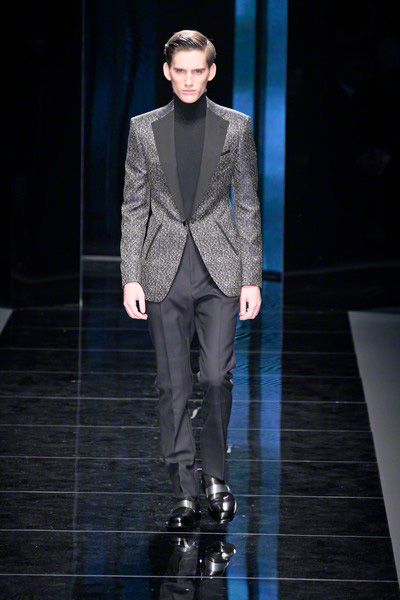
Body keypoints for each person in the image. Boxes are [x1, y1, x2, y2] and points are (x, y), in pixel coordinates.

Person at [120, 29, 262, 529]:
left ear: (211, 72)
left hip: (220, 268)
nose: (187, 80)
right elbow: (133, 207)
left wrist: (252, 277)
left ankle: (216, 475)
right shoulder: (143, 129)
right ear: (166, 71)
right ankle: (183, 489)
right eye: (179, 70)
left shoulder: (236, 128)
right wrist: (130, 275)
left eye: (196, 71)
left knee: (216, 376)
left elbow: (247, 205)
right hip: (162, 269)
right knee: (172, 384)